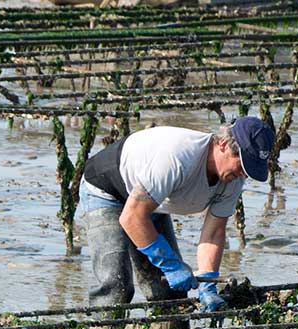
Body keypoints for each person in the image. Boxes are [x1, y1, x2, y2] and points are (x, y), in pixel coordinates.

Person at [80, 117, 276, 312]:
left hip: (153, 202)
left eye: (249, 168)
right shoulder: (178, 157)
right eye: (242, 164)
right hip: (106, 191)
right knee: (116, 285)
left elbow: (214, 232)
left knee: (171, 294)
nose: (244, 174)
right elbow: (131, 218)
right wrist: (170, 265)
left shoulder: (233, 178)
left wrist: (208, 282)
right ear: (223, 144)